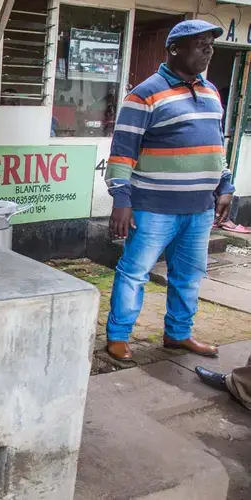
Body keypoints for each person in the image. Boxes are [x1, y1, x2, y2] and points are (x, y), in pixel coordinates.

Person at [104, 20, 235, 361]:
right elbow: (122, 152)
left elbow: (215, 146)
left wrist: (225, 185)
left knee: (189, 276)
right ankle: (118, 337)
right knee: (134, 273)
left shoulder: (211, 92)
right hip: (153, 207)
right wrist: (121, 199)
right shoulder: (146, 93)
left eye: (210, 44)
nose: (207, 49)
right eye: (199, 44)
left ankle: (178, 334)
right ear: (175, 49)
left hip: (199, 208)